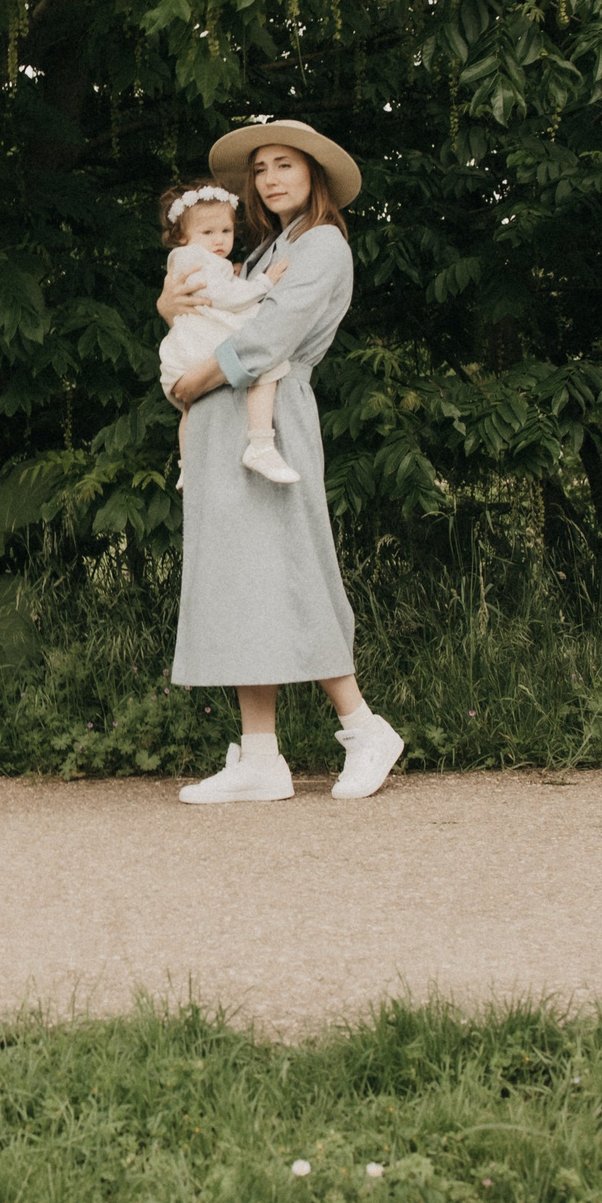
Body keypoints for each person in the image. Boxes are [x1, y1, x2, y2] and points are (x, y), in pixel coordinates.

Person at [158, 119, 405, 804]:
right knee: (239, 579)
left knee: (292, 564)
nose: (269, 178)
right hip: (221, 420)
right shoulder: (266, 245)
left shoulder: (322, 243)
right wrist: (168, 305)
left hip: (265, 414)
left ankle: (363, 727)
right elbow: (200, 304)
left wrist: (194, 380)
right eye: (261, 168)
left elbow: (271, 335)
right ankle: (261, 755)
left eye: (284, 164)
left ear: (313, 174)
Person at [154, 181, 300, 487]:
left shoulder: (197, 258)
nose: (219, 240)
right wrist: (263, 284)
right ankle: (261, 443)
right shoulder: (196, 258)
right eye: (208, 233)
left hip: (190, 344)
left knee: (190, 408)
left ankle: (188, 465)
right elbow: (226, 298)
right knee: (267, 366)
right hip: (206, 340)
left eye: (226, 231)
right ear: (182, 236)